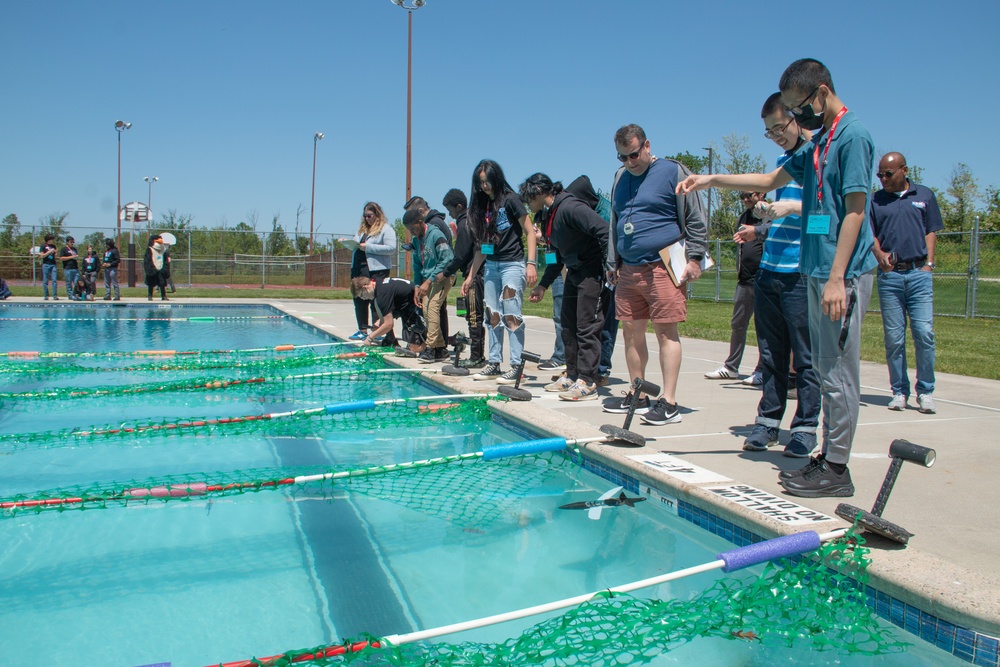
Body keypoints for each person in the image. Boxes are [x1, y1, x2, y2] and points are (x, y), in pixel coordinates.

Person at [677, 58, 877, 498]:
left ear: (820, 93)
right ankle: (828, 457)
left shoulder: (852, 136)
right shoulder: (820, 142)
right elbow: (769, 178)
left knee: (837, 372)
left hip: (838, 273)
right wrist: (710, 179)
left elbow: (856, 211)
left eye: (798, 107)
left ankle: (837, 470)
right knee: (826, 369)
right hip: (816, 269)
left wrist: (837, 277)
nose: (797, 116)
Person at [602, 124, 709, 426]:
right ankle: (639, 393)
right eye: (622, 157)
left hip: (664, 266)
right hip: (628, 269)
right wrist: (613, 262)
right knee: (630, 332)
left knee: (665, 332)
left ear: (647, 146)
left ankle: (669, 402)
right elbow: (615, 222)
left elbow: (695, 216)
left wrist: (696, 257)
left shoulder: (673, 171)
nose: (629, 162)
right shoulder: (620, 178)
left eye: (634, 154)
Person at [739, 92, 820, 458]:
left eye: (779, 128)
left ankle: (805, 427)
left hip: (801, 273)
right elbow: (777, 222)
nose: (776, 136)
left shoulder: (819, 160)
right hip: (769, 270)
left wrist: (793, 208)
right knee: (771, 354)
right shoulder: (780, 164)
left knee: (805, 357)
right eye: (769, 132)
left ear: (798, 118)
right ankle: (768, 422)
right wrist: (763, 216)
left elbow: (826, 220)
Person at [523, 173, 609, 401]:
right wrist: (542, 285)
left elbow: (604, 230)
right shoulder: (549, 215)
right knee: (568, 327)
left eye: (529, 198)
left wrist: (611, 266)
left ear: (540, 192)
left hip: (592, 271)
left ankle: (588, 381)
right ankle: (572, 375)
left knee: (587, 326)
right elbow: (557, 255)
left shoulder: (570, 207)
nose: (528, 204)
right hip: (574, 271)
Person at [870, 152, 943, 414]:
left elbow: (930, 230)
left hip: (918, 274)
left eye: (888, 174)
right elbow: (871, 234)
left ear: (904, 170)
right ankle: (899, 391)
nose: (883, 179)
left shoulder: (924, 195)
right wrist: (879, 256)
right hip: (890, 277)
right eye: (880, 174)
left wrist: (929, 264)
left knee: (924, 333)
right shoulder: (875, 200)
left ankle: (926, 391)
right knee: (894, 338)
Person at [461, 159, 538, 384]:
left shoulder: (511, 200)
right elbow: (483, 247)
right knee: (492, 315)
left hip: (512, 264)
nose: (485, 186)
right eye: (480, 183)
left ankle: (516, 366)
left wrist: (531, 263)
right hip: (491, 266)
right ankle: (494, 363)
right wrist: (470, 276)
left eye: (487, 181)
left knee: (511, 315)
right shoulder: (483, 207)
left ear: (496, 177)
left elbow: (530, 232)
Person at [704, 191, 768, 384]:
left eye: (749, 195)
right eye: (742, 196)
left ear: (762, 193)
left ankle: (763, 370)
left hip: (764, 279)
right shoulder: (744, 217)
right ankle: (732, 367)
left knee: (763, 328)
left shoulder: (770, 215)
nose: (745, 199)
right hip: (745, 280)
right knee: (738, 323)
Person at [440, 188, 486, 368]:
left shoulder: (465, 222)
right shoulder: (470, 220)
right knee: (475, 315)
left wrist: (445, 272)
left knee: (474, 316)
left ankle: (476, 356)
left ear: (459, 206)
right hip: (476, 273)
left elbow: (460, 255)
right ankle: (478, 355)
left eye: (451, 210)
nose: (450, 214)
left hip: (474, 274)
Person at [404, 208, 454, 363]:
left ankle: (431, 348)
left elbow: (447, 259)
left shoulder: (436, 235)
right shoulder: (416, 241)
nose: (412, 232)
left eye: (413, 228)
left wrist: (429, 281)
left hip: (443, 275)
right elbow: (418, 266)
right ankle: (441, 349)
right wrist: (417, 286)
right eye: (409, 230)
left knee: (432, 308)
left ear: (420, 222)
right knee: (426, 310)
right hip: (428, 279)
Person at [349, 202, 397, 341]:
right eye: (365, 216)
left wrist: (368, 247)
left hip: (377, 270)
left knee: (376, 301)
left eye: (369, 215)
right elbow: (356, 244)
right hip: (359, 268)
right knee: (358, 298)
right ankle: (362, 329)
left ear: (377, 215)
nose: (367, 218)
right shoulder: (362, 230)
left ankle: (378, 332)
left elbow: (391, 248)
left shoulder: (386, 229)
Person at [352, 275, 426, 356]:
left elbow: (389, 325)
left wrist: (370, 338)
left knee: (414, 349)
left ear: (365, 288)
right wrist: (380, 322)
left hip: (417, 305)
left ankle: (433, 346)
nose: (364, 299)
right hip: (407, 305)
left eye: (362, 295)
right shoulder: (379, 284)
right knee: (409, 341)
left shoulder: (382, 295)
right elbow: (387, 314)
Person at [143, 233, 171, 301]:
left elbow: (165, 260)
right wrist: (150, 269)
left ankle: (163, 296)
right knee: (151, 283)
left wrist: (165, 268)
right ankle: (150, 295)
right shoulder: (150, 249)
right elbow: (147, 260)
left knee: (162, 283)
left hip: (161, 268)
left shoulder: (163, 250)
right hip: (153, 268)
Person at [39, 233, 59, 300]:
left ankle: (55, 295)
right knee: (45, 280)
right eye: (52, 239)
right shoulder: (43, 246)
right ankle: (46, 295)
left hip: (53, 264)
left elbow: (55, 256)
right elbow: (41, 256)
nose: (53, 240)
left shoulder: (54, 246)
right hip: (46, 264)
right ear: (48, 239)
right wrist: (49, 252)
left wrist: (56, 253)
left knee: (54, 280)